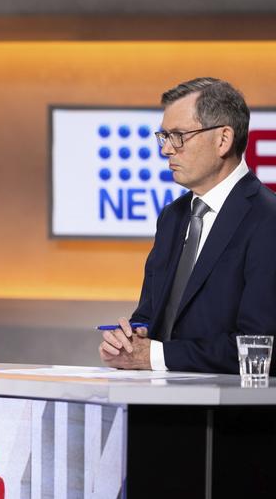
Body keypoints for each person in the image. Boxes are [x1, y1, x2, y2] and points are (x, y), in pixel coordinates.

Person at [99, 78, 276, 373]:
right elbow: (149, 315)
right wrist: (131, 340)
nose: (166, 149)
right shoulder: (172, 216)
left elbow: (259, 346)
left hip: (225, 414)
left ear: (223, 139)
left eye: (178, 135)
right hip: (155, 406)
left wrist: (154, 356)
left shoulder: (267, 219)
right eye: (164, 136)